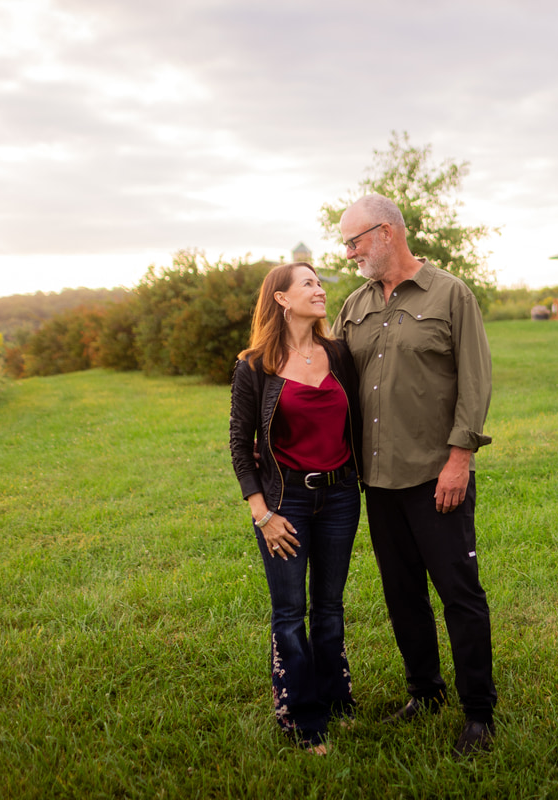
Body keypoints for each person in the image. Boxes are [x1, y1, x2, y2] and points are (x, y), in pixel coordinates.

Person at [334, 194, 498, 757]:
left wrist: (460, 459)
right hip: (377, 480)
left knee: (459, 594)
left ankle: (479, 713)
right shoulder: (353, 305)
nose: (348, 252)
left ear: (385, 233)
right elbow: (327, 379)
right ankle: (424, 692)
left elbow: (475, 382)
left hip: (436, 476)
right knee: (402, 594)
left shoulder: (451, 294)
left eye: (354, 241)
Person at [228, 261, 364, 755]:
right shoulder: (254, 366)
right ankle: (304, 720)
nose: (320, 289)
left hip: (341, 496)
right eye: (308, 283)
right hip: (286, 502)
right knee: (290, 613)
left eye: (320, 282)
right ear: (281, 298)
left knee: (330, 608)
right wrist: (262, 514)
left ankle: (335, 701)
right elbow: (241, 446)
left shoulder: (338, 354)